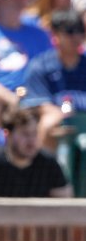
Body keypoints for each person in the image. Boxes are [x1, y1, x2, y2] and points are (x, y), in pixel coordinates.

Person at [0, 108, 73, 197]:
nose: (31, 140)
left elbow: (65, 202)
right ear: (7, 135)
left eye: (34, 134)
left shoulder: (49, 164)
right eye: (25, 134)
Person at [23, 10, 86, 150]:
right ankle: (47, 171)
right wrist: (63, 117)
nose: (76, 36)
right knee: (48, 123)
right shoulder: (40, 65)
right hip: (56, 119)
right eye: (70, 31)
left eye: (80, 31)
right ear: (55, 35)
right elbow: (40, 105)